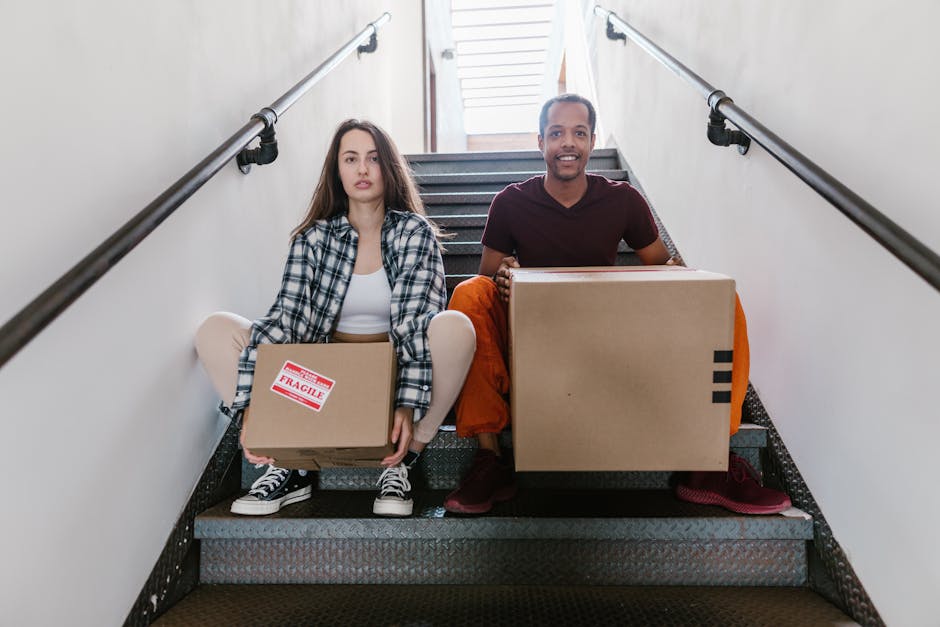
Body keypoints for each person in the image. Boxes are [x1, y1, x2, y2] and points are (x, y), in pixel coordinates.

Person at [443, 93, 790, 516]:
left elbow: (660, 267)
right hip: (532, 339)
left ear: (591, 141)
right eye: (556, 133)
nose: (567, 143)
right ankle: (490, 459)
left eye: (578, 133)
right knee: (467, 294)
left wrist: (681, 277)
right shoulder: (510, 202)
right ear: (541, 142)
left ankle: (709, 459)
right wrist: (504, 277)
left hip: (607, 335)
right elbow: (487, 280)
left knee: (721, 299)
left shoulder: (623, 200)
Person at [195, 119, 475, 517]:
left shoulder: (414, 232)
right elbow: (285, 322)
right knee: (214, 330)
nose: (362, 169)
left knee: (455, 327)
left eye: (373, 158)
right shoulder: (311, 239)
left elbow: (416, 327)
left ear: (389, 168)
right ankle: (291, 464)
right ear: (337, 169)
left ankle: (406, 457)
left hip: (391, 369)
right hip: (324, 376)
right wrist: (254, 409)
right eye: (351, 158)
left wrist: (406, 408)